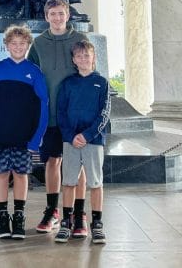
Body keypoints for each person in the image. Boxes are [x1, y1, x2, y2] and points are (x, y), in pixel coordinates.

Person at [28, 0, 89, 236]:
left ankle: (78, 213)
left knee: (78, 165)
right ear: (46, 17)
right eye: (52, 14)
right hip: (50, 115)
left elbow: (88, 70)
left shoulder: (79, 40)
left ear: (68, 15)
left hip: (74, 116)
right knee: (52, 161)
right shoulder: (39, 43)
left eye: (61, 14)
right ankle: (52, 210)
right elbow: (32, 75)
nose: (57, 18)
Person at [0, 25, 48, 240]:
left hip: (25, 137)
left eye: (22, 43)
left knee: (22, 175)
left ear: (28, 45)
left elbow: (43, 105)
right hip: (0, 135)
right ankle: (2, 216)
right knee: (2, 174)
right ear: (6, 45)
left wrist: (36, 138)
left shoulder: (34, 72)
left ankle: (19, 216)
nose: (17, 47)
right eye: (13, 43)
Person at [55, 40, 110, 244]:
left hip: (93, 140)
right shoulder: (68, 83)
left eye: (87, 55)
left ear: (93, 57)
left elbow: (104, 114)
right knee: (69, 181)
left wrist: (86, 135)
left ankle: (96, 224)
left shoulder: (102, 83)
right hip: (70, 141)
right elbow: (60, 112)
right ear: (73, 60)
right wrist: (70, 136)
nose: (83, 59)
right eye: (79, 56)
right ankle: (66, 223)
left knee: (95, 182)